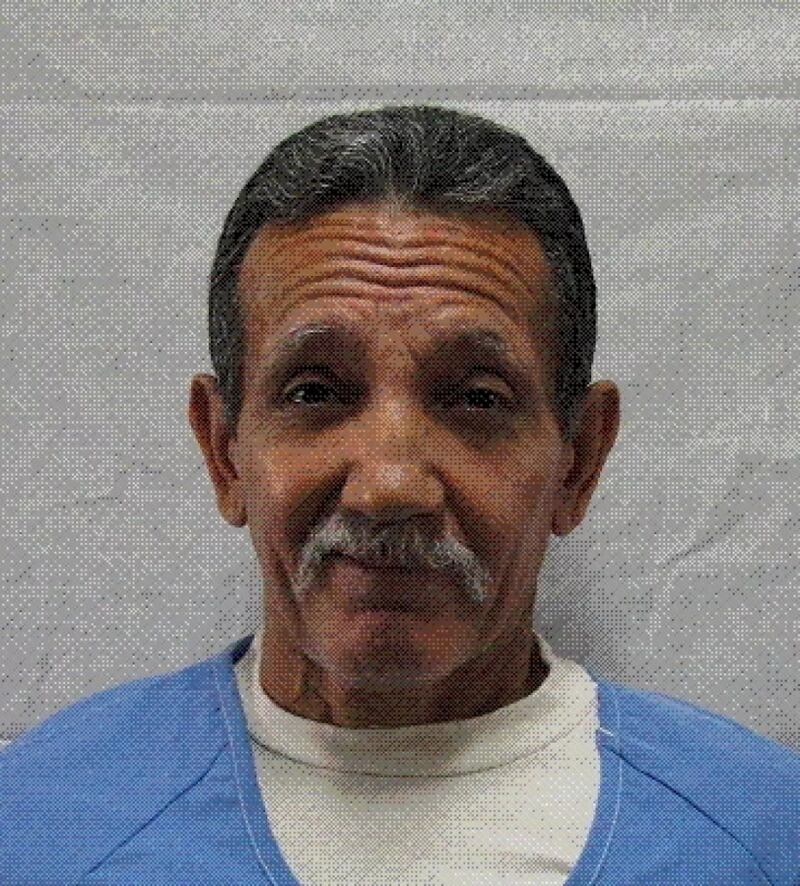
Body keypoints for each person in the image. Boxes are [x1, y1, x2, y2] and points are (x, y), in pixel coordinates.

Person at [1, 105, 797, 885]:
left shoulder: (761, 834)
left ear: (579, 461)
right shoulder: (42, 822)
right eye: (315, 392)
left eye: (477, 399)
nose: (388, 486)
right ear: (223, 451)